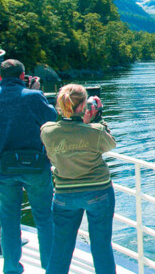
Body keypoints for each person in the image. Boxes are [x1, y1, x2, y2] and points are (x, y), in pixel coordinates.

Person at [0, 59, 56, 274]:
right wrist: (37, 92)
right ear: (23, 76)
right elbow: (52, 118)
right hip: (35, 167)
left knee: (9, 220)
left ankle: (11, 268)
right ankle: (49, 267)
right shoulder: (33, 96)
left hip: (2, 168)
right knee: (44, 218)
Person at [40, 84, 117, 274]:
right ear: (84, 106)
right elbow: (110, 143)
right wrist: (95, 121)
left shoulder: (47, 131)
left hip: (64, 194)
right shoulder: (95, 131)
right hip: (98, 192)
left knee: (60, 249)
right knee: (101, 247)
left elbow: (65, 130)